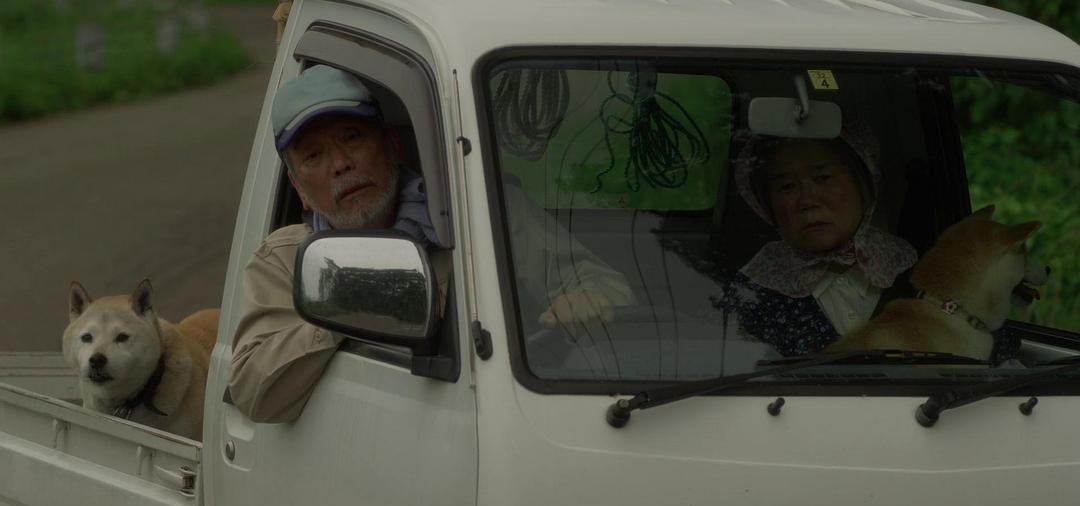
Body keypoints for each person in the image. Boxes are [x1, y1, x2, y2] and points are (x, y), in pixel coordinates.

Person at [230, 65, 631, 423]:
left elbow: (606, 284)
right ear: (299, 189)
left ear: (393, 145)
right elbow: (251, 392)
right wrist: (346, 308)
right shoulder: (284, 259)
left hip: (502, 416)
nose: (340, 164)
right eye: (314, 156)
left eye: (352, 138)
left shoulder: (476, 213)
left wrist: (586, 299)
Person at [716, 127, 919, 357]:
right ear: (767, 206)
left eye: (823, 178)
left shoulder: (914, 270)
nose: (808, 200)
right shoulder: (750, 294)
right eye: (786, 187)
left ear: (864, 185)